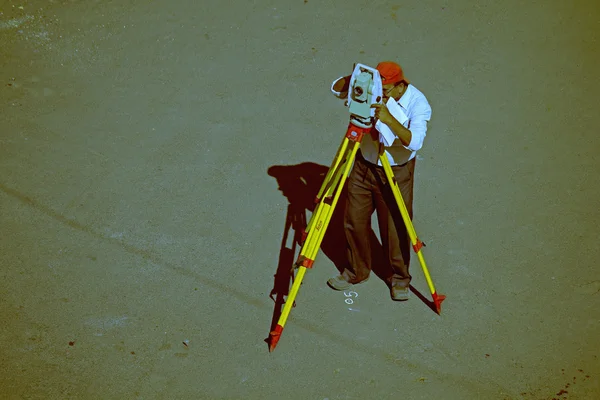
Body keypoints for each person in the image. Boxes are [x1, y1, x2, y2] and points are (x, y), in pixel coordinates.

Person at [327, 61, 432, 301]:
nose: (379, 94)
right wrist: (355, 78)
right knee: (353, 220)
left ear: (399, 86)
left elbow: (415, 142)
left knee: (395, 227)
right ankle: (356, 271)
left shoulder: (418, 103)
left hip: (395, 171)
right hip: (364, 164)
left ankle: (399, 278)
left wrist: (388, 118)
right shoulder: (374, 87)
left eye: (384, 90)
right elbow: (336, 89)